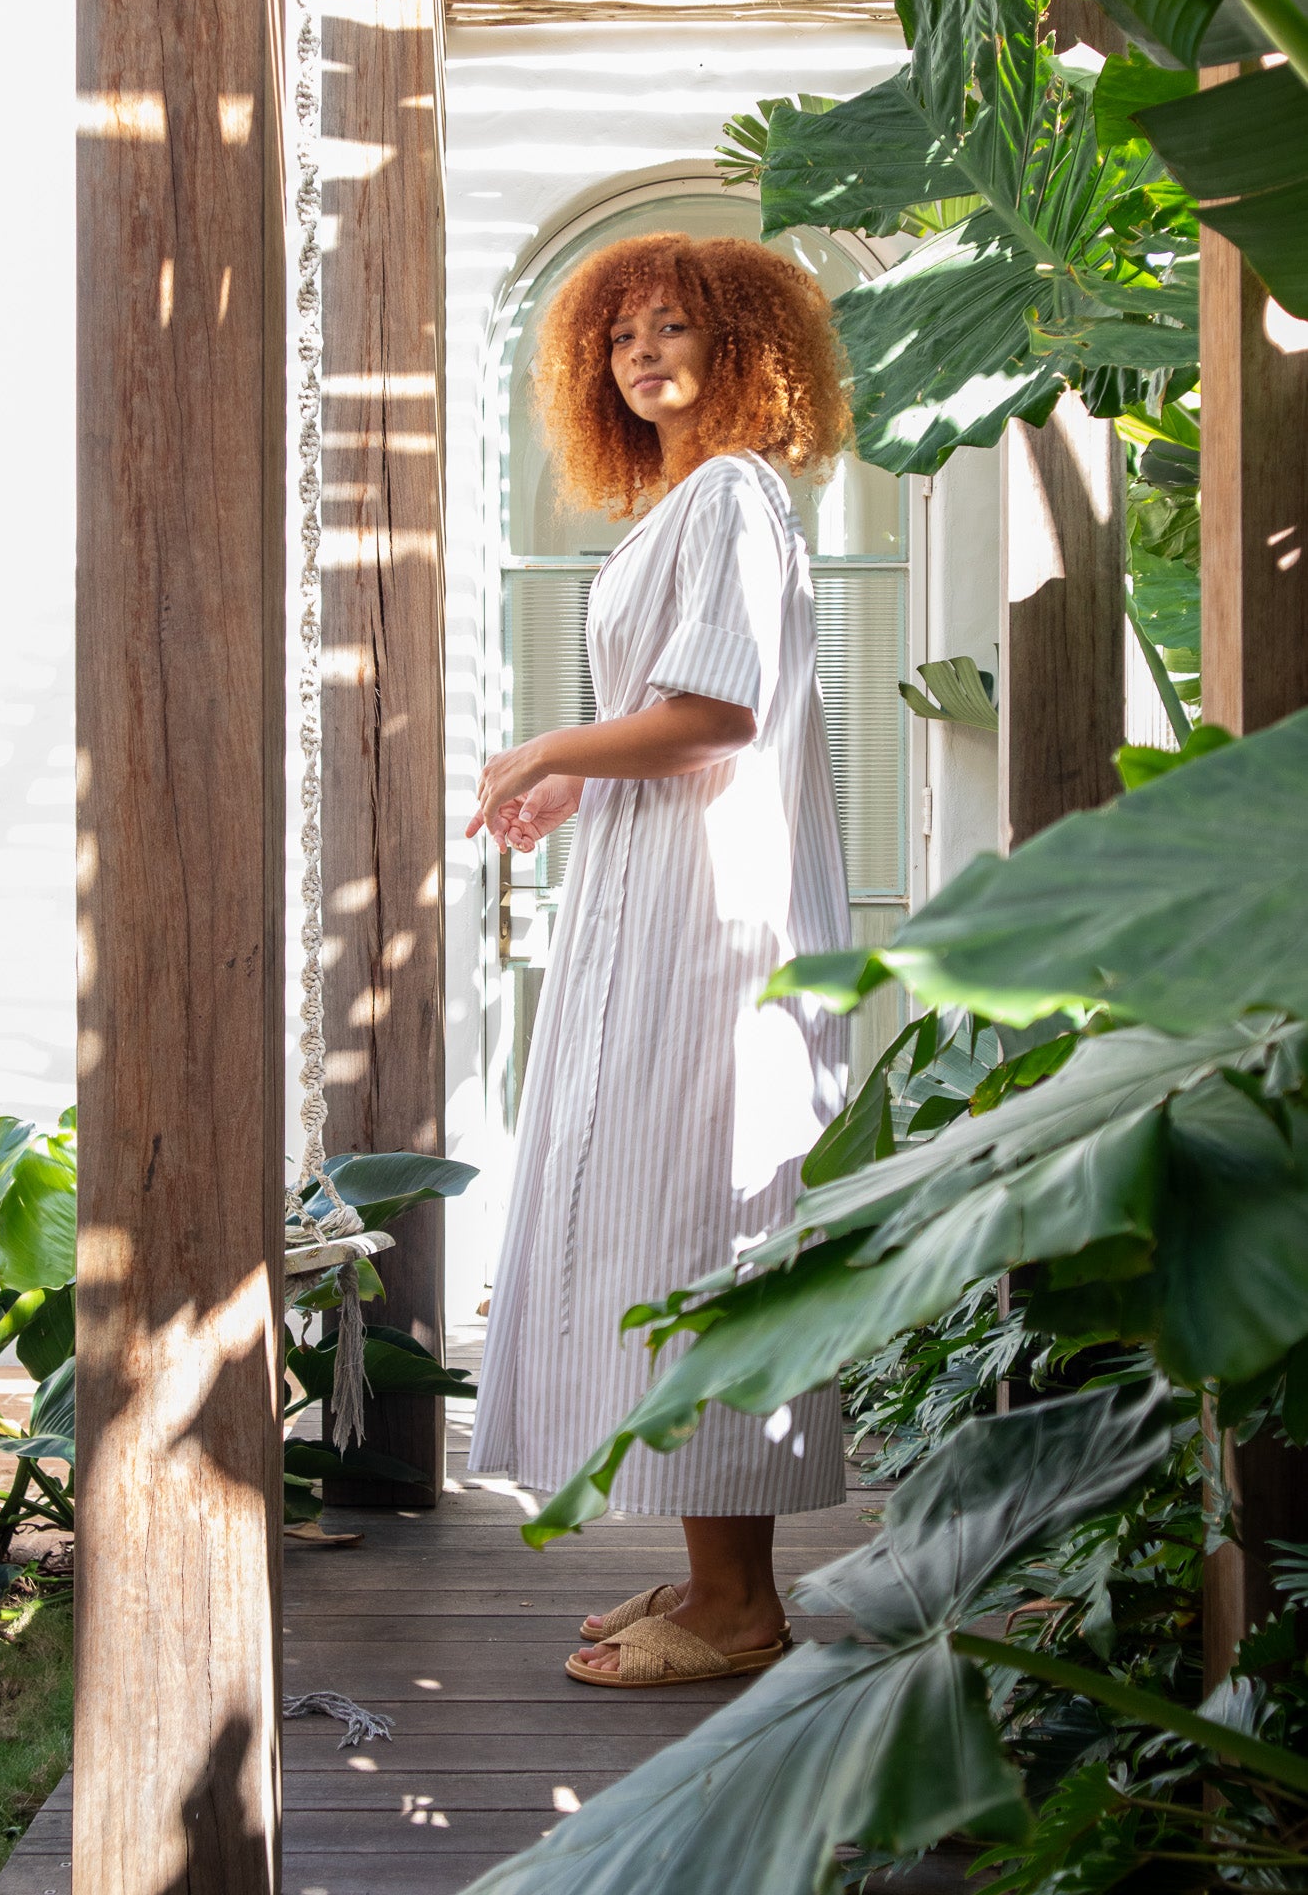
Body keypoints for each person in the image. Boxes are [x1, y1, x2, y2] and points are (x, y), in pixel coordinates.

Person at [465, 231, 853, 1689]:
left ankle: (742, 1609)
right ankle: (706, 1579)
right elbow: (674, 714)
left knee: (701, 1229)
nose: (641, 353)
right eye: (619, 335)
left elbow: (719, 713)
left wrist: (549, 744)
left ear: (743, 348)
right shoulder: (680, 506)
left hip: (717, 926)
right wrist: (580, 780)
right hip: (667, 898)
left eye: (674, 327)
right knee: (663, 1225)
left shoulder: (736, 497)